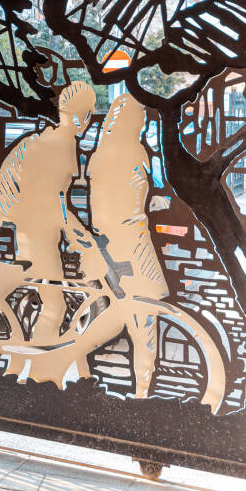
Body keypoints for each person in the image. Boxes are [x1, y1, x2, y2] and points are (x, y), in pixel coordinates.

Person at [0, 81, 97, 344]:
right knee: (55, 305)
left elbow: (55, 198)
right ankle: (40, 359)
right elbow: (54, 199)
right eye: (88, 112)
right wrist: (77, 232)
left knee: (12, 292)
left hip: (34, 230)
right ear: (82, 114)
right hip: (37, 235)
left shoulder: (53, 140)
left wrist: (73, 230)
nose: (88, 120)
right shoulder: (59, 145)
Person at [86, 93, 168, 398]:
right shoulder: (136, 152)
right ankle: (143, 391)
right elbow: (146, 197)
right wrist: (157, 205)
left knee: (119, 314)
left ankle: (82, 366)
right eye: (141, 119)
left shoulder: (98, 155)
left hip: (106, 244)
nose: (143, 125)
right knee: (145, 320)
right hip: (133, 243)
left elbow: (100, 209)